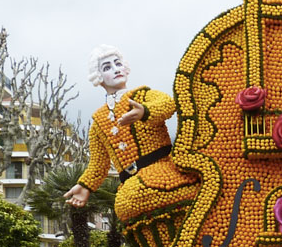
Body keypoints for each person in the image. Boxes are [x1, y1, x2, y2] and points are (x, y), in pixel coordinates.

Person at [62, 45, 199, 231]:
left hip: (164, 172)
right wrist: (85, 186)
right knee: (127, 207)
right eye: (107, 67)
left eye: (118, 63)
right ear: (99, 77)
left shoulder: (143, 95)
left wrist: (145, 112)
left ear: (125, 67)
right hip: (130, 187)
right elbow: (98, 164)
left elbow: (167, 103)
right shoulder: (98, 122)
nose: (116, 68)